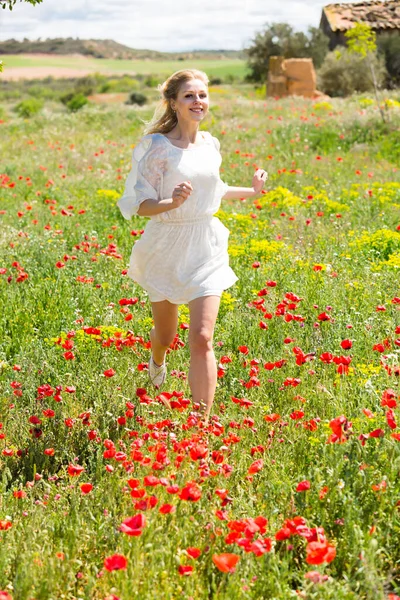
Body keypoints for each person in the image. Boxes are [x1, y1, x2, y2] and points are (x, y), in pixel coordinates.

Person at [118, 69, 267, 422]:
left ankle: (202, 425)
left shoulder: (210, 145)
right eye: (189, 96)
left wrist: (254, 191)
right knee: (166, 335)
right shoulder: (157, 148)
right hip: (166, 245)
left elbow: (214, 191)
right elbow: (140, 204)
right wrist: (171, 203)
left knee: (201, 337)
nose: (198, 101)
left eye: (202, 94)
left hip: (205, 245)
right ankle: (157, 357)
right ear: (174, 103)